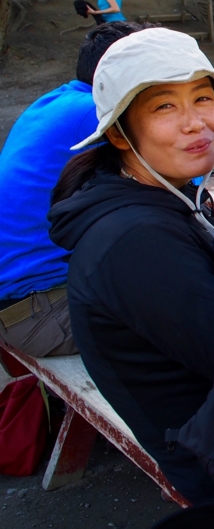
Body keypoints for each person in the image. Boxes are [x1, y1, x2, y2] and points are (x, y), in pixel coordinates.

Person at [48, 28, 214, 504]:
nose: (196, 124)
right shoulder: (131, 239)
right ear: (120, 135)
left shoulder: (172, 192)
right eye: (164, 106)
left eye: (202, 98)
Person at [0, 21, 144, 358]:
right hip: (39, 310)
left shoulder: (54, 101)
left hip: (22, 300)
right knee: (185, 311)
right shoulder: (95, 115)